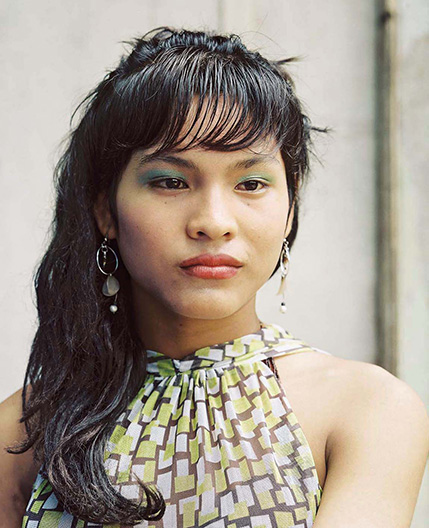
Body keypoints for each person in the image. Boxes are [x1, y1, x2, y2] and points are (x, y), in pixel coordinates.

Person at [0, 26, 428, 528]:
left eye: (251, 183)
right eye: (170, 181)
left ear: (290, 210)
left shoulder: (365, 410)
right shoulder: (24, 433)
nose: (214, 221)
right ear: (105, 210)